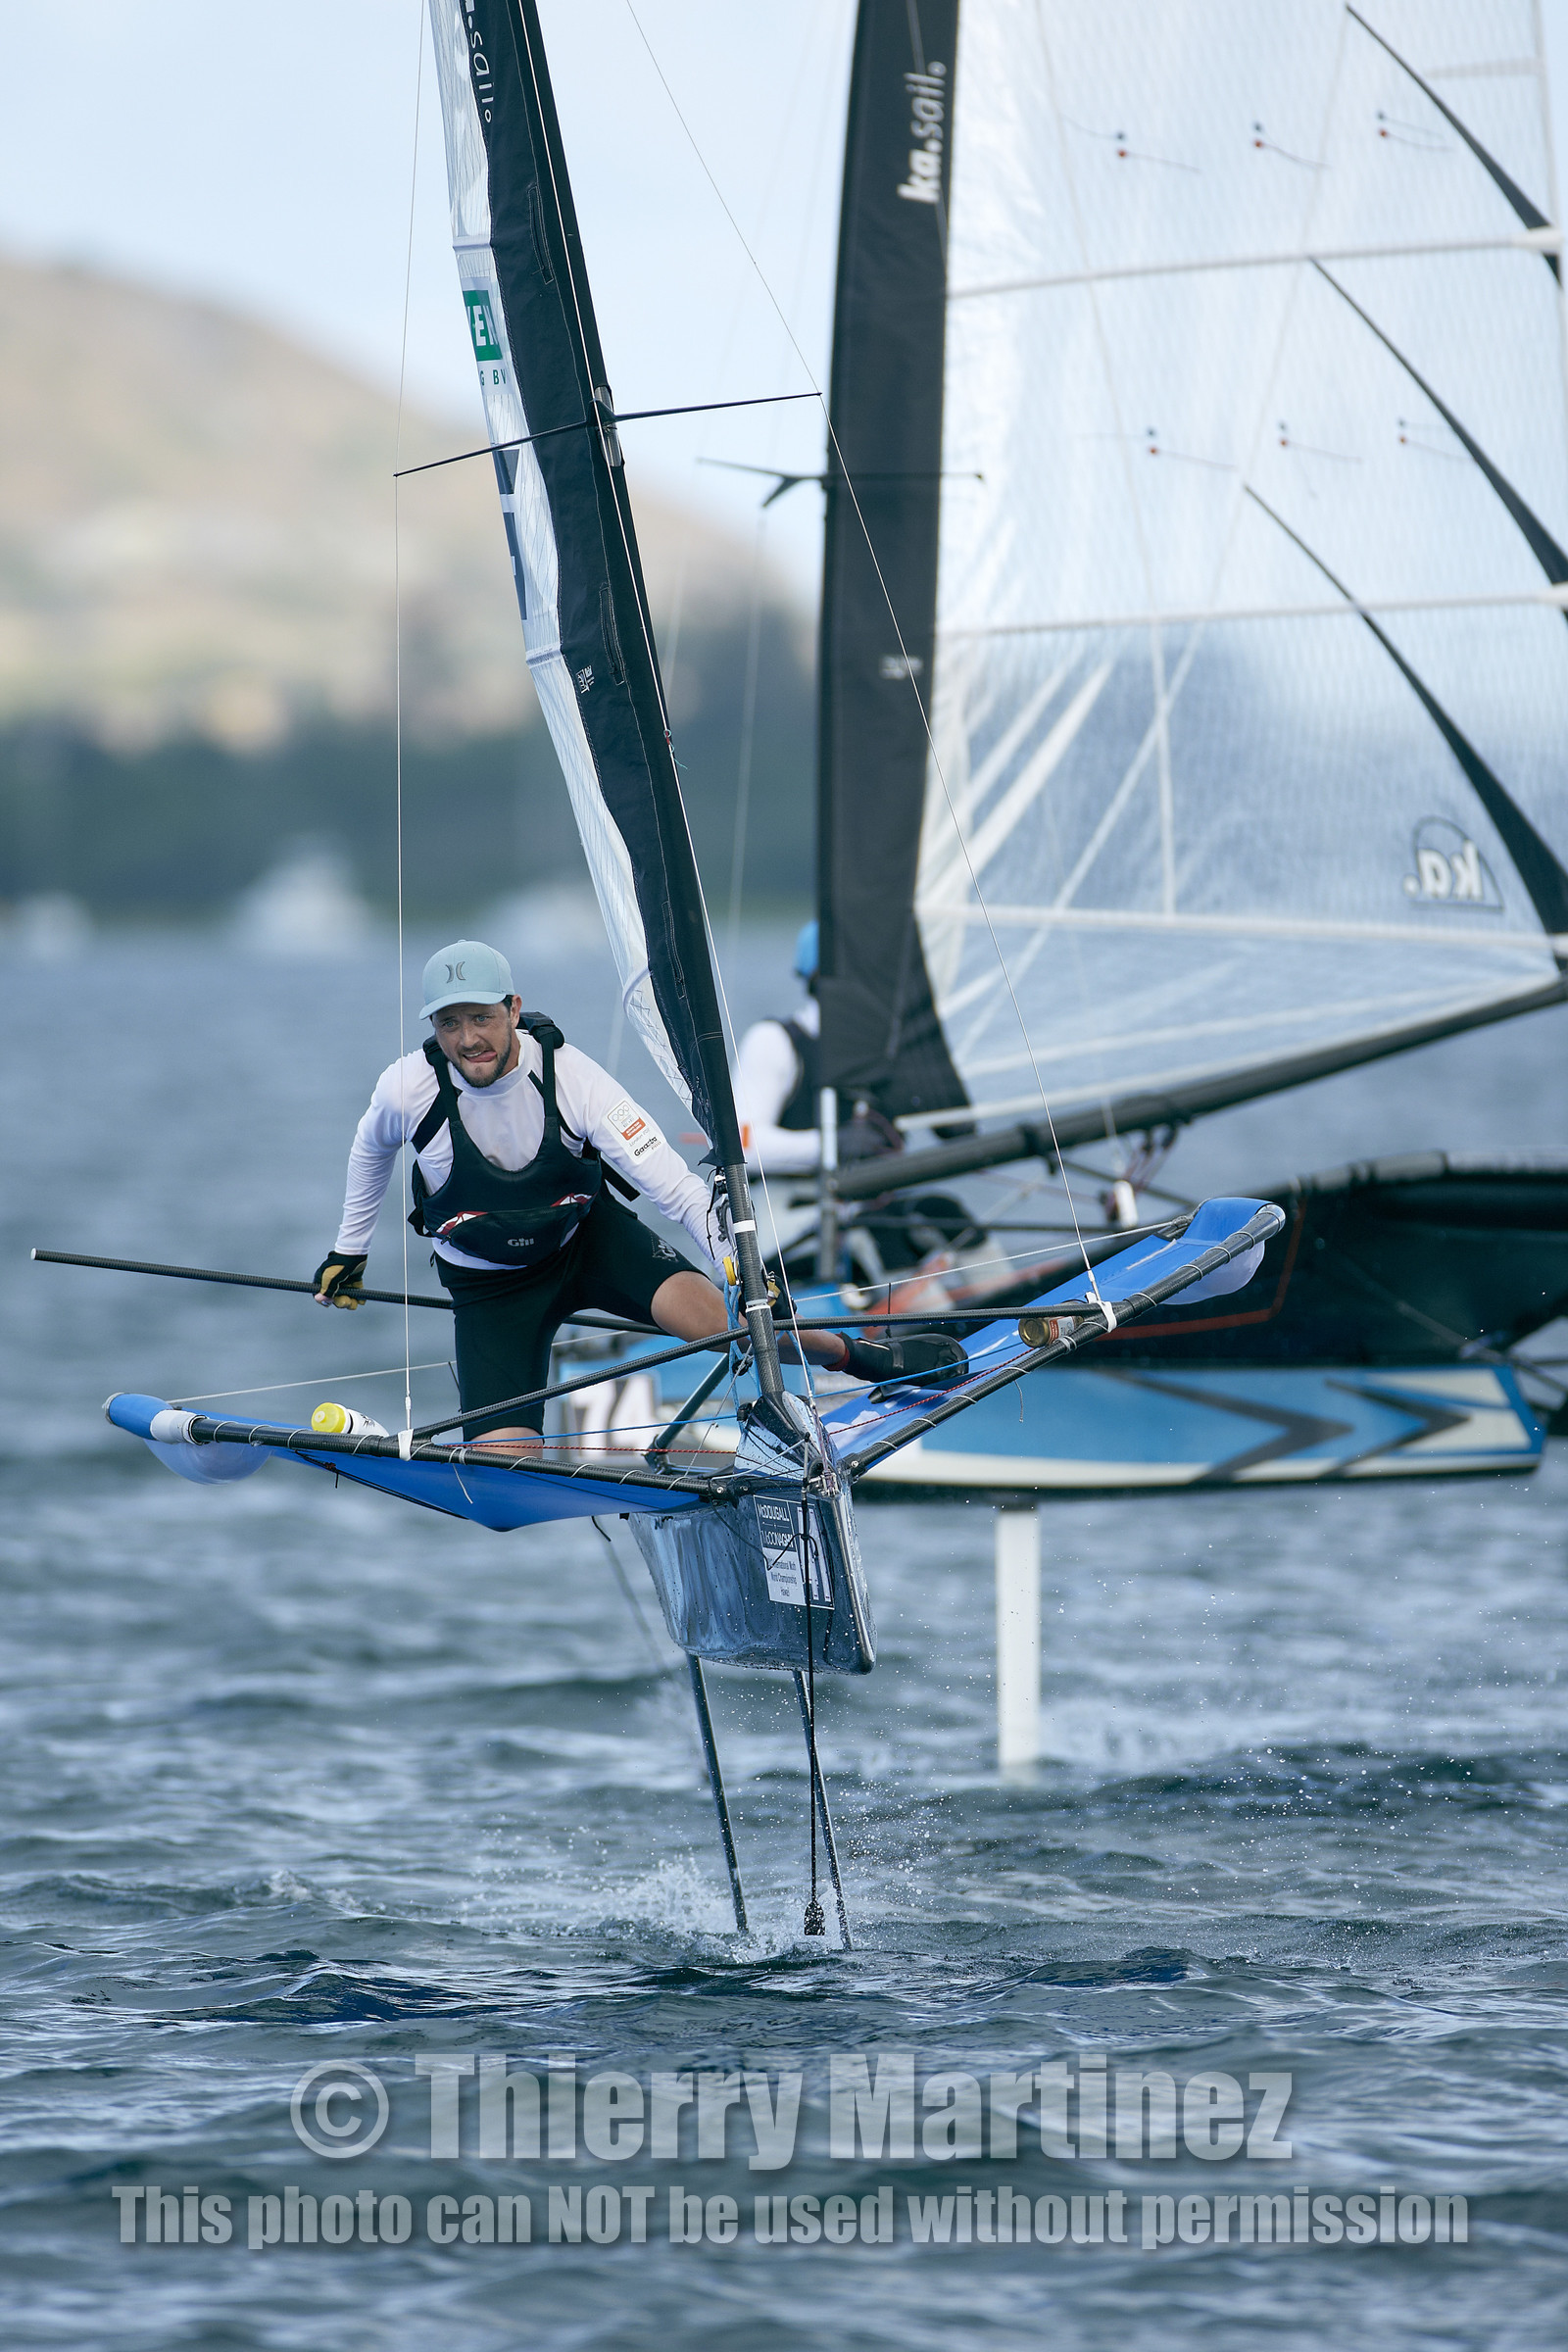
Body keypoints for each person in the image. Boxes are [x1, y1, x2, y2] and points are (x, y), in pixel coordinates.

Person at [313, 939, 963, 1447]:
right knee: (508, 1464)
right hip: (490, 1287)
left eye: (481, 1018)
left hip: (589, 1246)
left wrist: (740, 1271)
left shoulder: (574, 1080)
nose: (467, 1040)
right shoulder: (406, 1089)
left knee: (729, 1326)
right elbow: (370, 1151)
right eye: (449, 1024)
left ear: (513, 1009)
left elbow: (677, 1192)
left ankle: (857, 1356)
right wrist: (350, 1252)